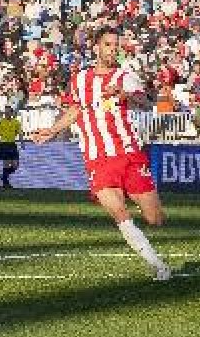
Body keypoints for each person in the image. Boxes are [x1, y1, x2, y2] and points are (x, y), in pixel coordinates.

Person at [31, 26, 170, 281]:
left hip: (129, 154)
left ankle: (136, 198)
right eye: (108, 44)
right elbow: (76, 110)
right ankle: (158, 265)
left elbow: (144, 100)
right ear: (96, 47)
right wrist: (52, 130)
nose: (112, 49)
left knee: (155, 219)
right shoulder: (80, 79)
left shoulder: (124, 75)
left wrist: (124, 93)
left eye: (116, 45)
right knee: (118, 212)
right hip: (98, 157)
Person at [0, 106, 22, 189]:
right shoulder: (1, 122)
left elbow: (20, 133)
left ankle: (4, 176)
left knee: (15, 165)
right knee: (6, 164)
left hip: (12, 144)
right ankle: (5, 184)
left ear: (12, 113)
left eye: (8, 112)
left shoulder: (16, 122)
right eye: (5, 112)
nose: (6, 114)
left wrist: (22, 142)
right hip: (4, 144)